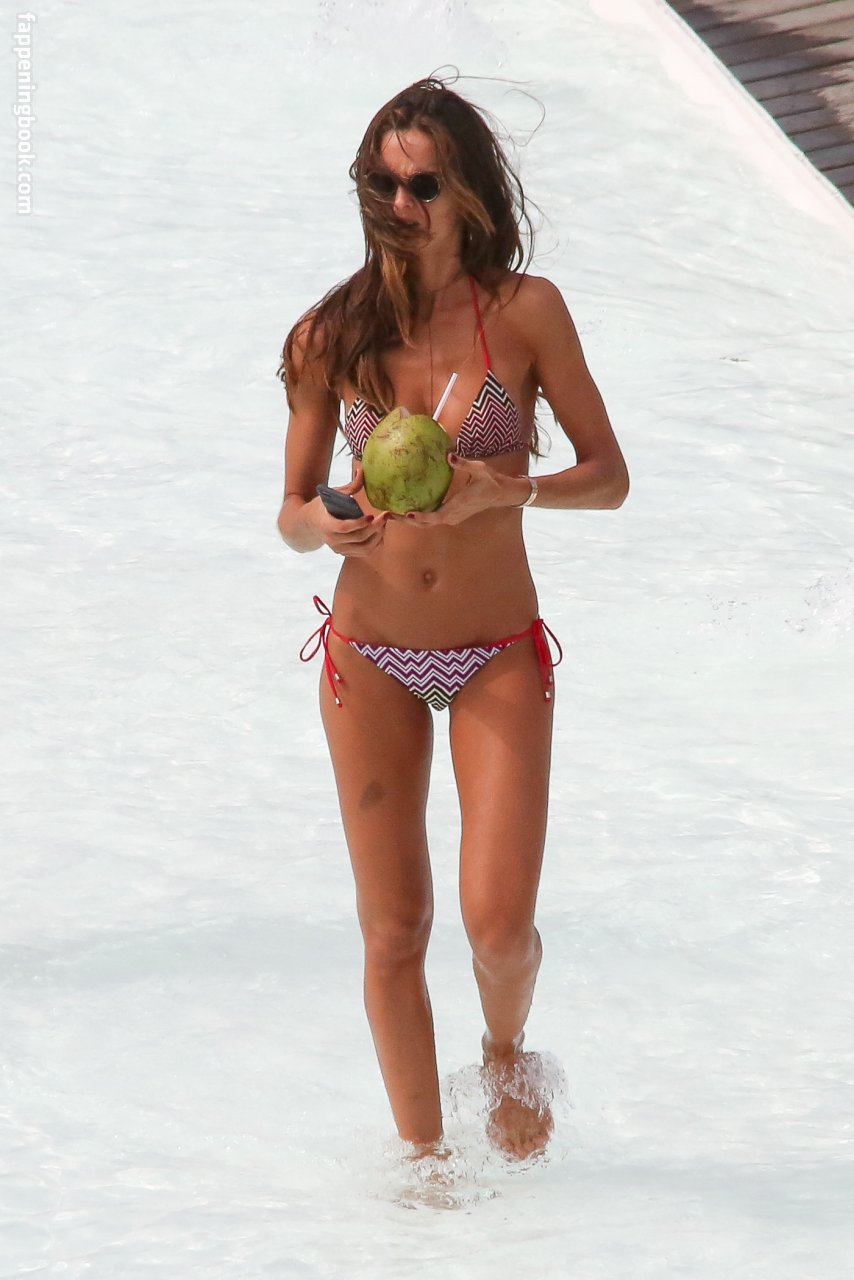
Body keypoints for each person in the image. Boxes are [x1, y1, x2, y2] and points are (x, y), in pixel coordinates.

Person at [276, 77, 628, 1164]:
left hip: (494, 650)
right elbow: (290, 511)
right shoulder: (330, 333)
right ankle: (426, 1177)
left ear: (466, 191)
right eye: (380, 182)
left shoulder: (525, 313)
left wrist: (504, 490)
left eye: (423, 184)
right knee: (394, 930)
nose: (400, 203)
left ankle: (504, 1048)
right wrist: (327, 523)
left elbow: (609, 476)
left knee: (498, 927)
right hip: (369, 652)